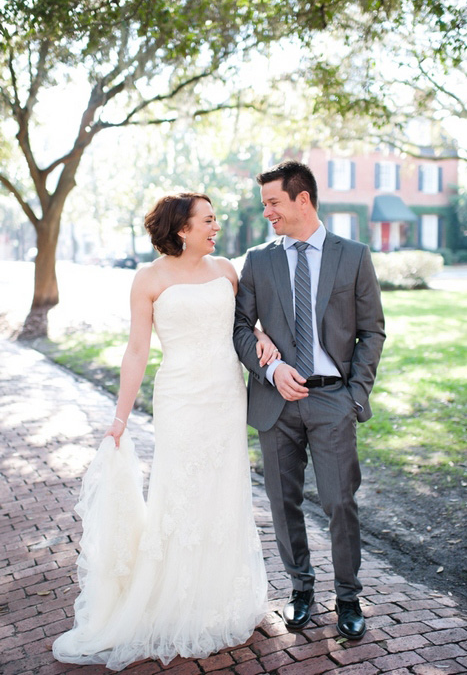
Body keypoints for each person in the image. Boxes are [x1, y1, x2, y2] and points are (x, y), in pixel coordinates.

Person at [53, 192, 279, 671]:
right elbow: (137, 351)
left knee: (224, 490)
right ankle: (175, 600)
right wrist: (120, 417)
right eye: (209, 220)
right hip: (180, 399)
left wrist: (259, 337)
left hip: (224, 395)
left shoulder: (225, 270)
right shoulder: (148, 279)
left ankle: (221, 595)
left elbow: (243, 326)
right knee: (180, 493)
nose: (216, 227)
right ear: (182, 228)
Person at [233, 160, 385, 640]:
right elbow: (237, 328)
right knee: (283, 502)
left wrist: (355, 395)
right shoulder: (259, 259)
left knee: (341, 502)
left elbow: (371, 331)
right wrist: (271, 368)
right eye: (264, 206)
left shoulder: (353, 255)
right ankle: (301, 590)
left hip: (331, 400)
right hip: (275, 404)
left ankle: (348, 597)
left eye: (274, 203)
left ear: (303, 199)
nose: (268, 214)